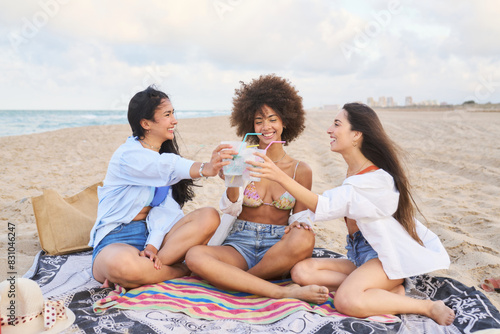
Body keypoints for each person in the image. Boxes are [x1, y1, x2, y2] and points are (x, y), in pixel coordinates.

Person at [246, 102, 456, 325]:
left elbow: (328, 204)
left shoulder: (377, 179)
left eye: (337, 124)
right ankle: (387, 291)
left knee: (346, 300)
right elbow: (335, 203)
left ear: (356, 134)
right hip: (359, 255)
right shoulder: (355, 173)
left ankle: (427, 306)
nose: (329, 130)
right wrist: (301, 222)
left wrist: (279, 176)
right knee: (301, 272)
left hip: (382, 258)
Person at [185, 74, 329, 304]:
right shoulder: (243, 158)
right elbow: (232, 207)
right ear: (250, 125)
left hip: (277, 247)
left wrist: (299, 225)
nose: (266, 127)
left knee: (305, 238)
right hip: (240, 241)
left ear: (285, 122)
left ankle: (242, 281)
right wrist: (231, 180)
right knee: (195, 256)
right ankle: (279, 291)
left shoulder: (301, 170)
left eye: (272, 119)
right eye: (259, 121)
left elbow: (301, 215)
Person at [89, 86, 234, 289]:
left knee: (209, 216)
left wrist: (152, 246)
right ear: (146, 123)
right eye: (167, 115)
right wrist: (206, 168)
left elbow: (165, 210)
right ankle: (181, 271)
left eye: (173, 114)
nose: (174, 120)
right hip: (117, 240)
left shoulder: (161, 158)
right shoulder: (128, 156)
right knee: (121, 266)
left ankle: (151, 268)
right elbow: (166, 166)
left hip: (157, 237)